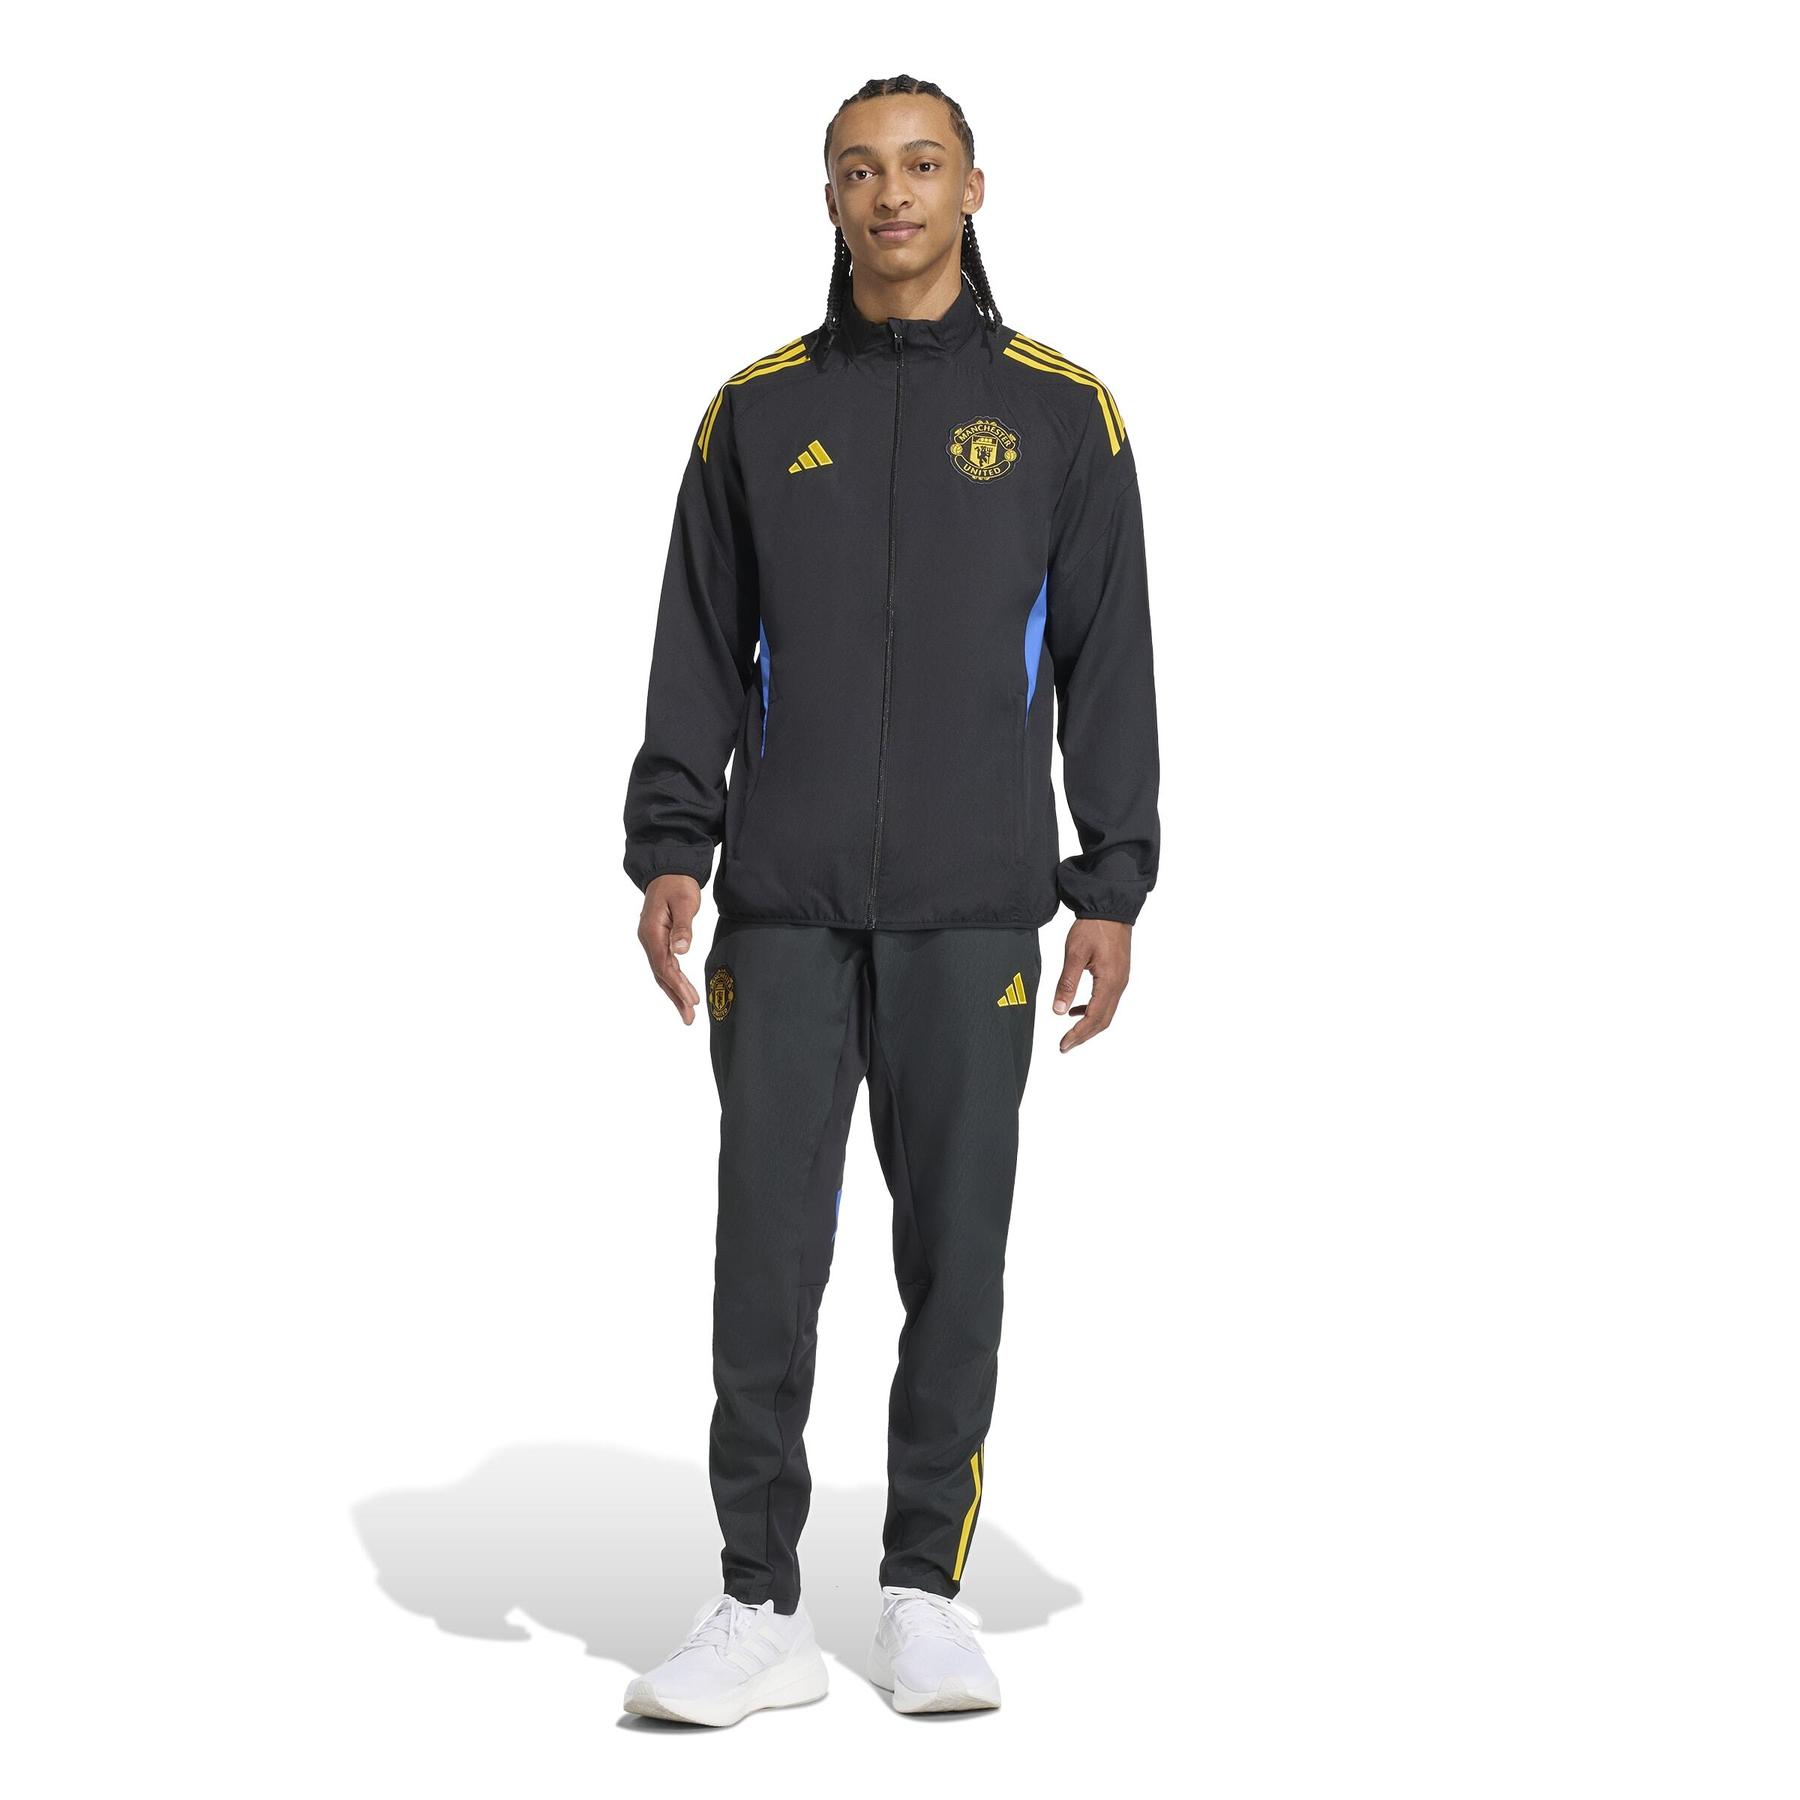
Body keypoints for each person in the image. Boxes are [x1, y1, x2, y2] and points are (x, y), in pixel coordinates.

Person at [618, 74, 1160, 1726]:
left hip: (974, 906)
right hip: (782, 908)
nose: (893, 193)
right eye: (861, 170)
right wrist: (672, 847)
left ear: (974, 188)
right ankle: (755, 1608)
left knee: (956, 1257)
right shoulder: (756, 414)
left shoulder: (1063, 415)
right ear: (831, 200)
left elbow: (1107, 663)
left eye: (923, 164)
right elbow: (699, 643)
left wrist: (1110, 881)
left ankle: (924, 1589)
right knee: (763, 1260)